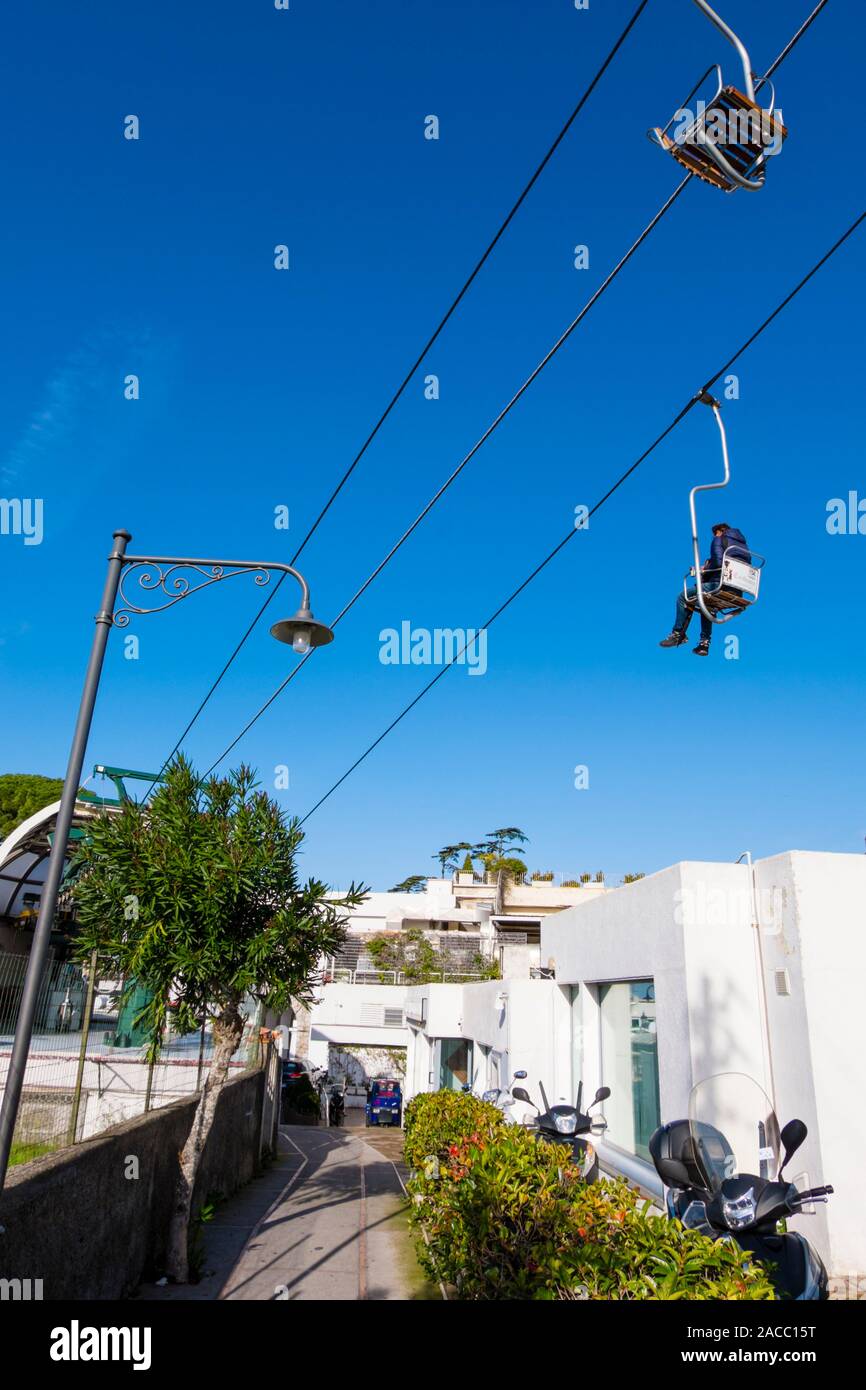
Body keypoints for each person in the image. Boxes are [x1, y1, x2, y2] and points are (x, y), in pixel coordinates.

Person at [659, 522, 750, 656]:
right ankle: (704, 643)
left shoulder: (719, 539)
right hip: (737, 589)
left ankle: (677, 634)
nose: (714, 536)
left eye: (715, 533)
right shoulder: (743, 548)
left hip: (719, 585)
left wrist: (702, 570)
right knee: (706, 604)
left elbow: (719, 563)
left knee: (683, 597)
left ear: (720, 531)